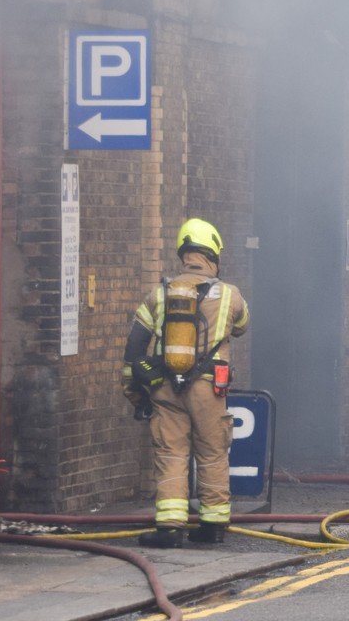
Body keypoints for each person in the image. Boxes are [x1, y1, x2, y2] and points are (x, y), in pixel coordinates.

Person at [120, 217, 251, 548]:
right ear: (213, 254)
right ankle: (213, 525)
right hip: (209, 387)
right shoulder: (230, 295)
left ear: (184, 254)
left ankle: (169, 528)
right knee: (212, 452)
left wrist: (135, 392)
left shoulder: (160, 293)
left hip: (166, 387)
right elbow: (242, 325)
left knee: (171, 453)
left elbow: (134, 348)